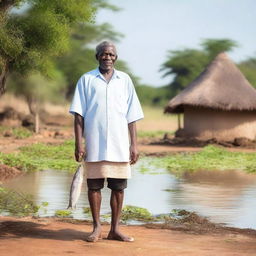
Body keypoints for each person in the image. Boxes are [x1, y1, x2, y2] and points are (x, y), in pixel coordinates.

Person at [69, 41, 144, 242]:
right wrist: (79, 144)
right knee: (94, 187)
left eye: (111, 54)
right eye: (103, 54)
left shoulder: (125, 80)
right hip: (94, 143)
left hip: (119, 145)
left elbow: (132, 115)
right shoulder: (86, 80)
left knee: (118, 188)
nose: (107, 57)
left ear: (116, 58)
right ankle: (96, 228)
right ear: (97, 57)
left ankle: (115, 229)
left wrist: (134, 145)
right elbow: (78, 115)